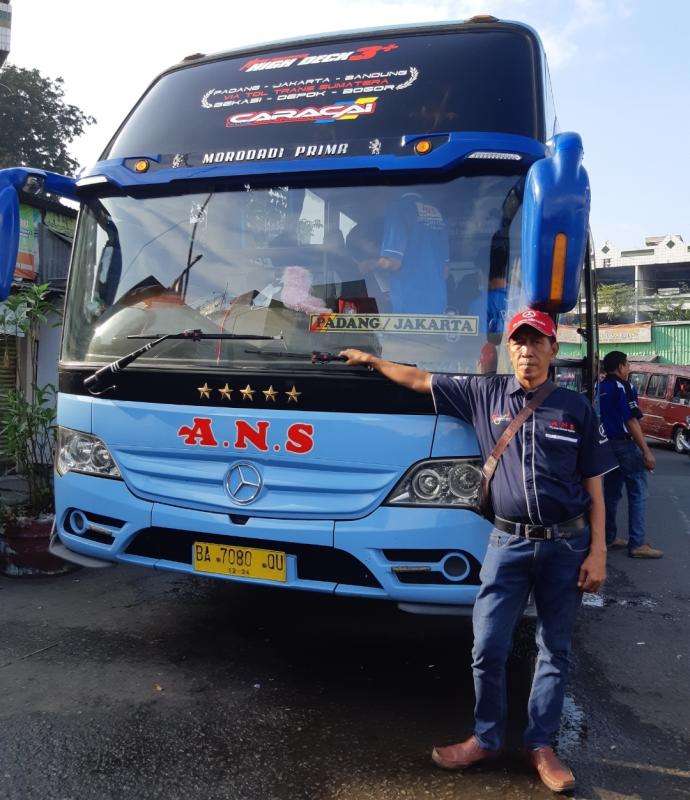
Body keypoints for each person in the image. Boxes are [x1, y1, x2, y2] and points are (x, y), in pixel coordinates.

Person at [340, 309, 616, 794]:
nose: (527, 351)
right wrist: (372, 360)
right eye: (519, 343)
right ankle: (485, 738)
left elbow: (594, 485)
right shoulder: (483, 393)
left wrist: (599, 552)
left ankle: (542, 746)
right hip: (506, 545)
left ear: (554, 350)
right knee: (487, 646)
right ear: (509, 350)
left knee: (555, 650)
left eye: (537, 342)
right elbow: (420, 379)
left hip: (565, 547)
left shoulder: (576, 407)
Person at [598, 351, 662, 558]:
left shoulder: (599, 387)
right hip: (624, 445)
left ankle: (609, 537)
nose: (629, 369)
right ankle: (637, 544)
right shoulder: (624, 387)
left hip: (605, 446)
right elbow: (631, 421)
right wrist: (646, 451)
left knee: (611, 494)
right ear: (619, 367)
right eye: (627, 365)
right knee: (638, 492)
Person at [375, 191, 449, 314]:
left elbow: (393, 262)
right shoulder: (437, 214)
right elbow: (445, 272)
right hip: (438, 304)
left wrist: (370, 264)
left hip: (409, 304)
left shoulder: (397, 209)